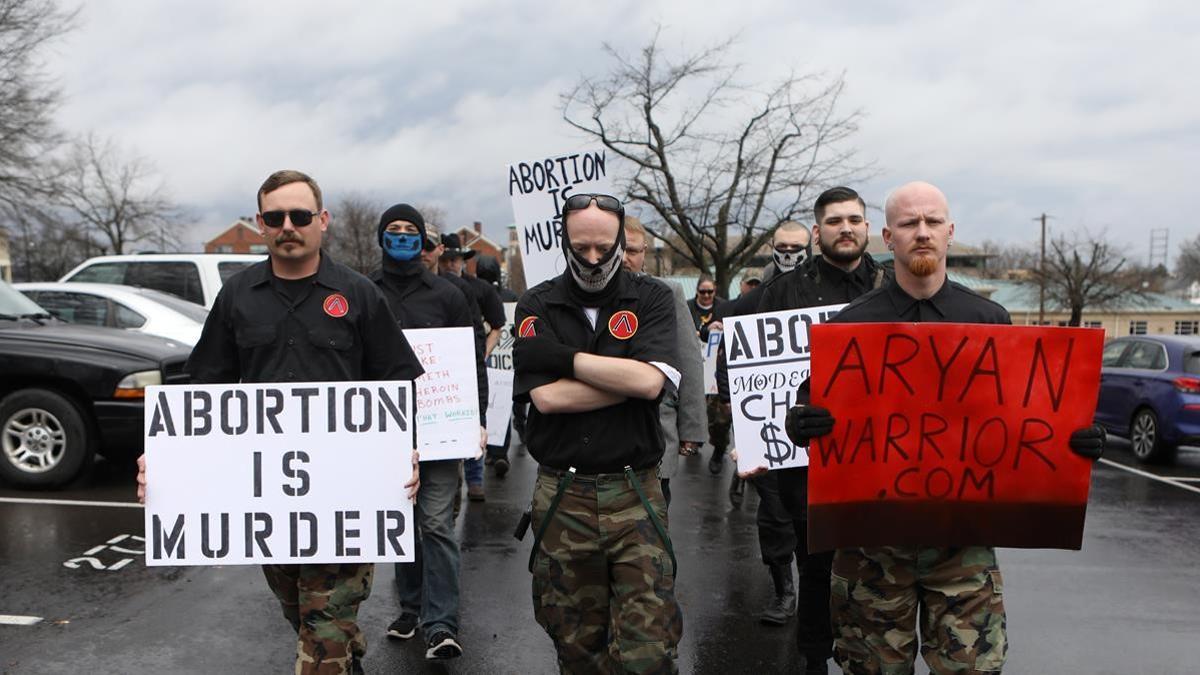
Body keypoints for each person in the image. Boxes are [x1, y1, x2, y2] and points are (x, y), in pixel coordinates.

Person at [784, 181, 1106, 675]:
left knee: (971, 669)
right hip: (874, 545)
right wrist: (801, 421)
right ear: (888, 237)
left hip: (963, 545)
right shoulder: (850, 328)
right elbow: (814, 414)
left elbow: (1025, 420)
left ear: (950, 232)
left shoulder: (989, 321)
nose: (922, 233)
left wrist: (1075, 441)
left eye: (932, 222)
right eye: (910, 224)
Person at [137, 170, 424, 675]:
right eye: (275, 217)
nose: (288, 226)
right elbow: (206, 390)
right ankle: (340, 647)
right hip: (270, 506)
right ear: (260, 224)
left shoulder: (359, 295)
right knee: (300, 610)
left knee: (322, 635)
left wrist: (409, 452)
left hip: (347, 501)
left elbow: (398, 384)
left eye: (300, 216)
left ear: (323, 220)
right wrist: (164, 461)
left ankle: (332, 650)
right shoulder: (237, 297)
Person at [514, 193, 683, 672]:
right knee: (575, 641)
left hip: (635, 492)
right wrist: (628, 377)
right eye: (581, 247)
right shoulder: (536, 302)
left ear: (621, 241)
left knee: (648, 647)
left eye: (603, 248)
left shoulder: (651, 297)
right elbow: (547, 399)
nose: (592, 259)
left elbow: (652, 384)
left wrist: (564, 359)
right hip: (563, 494)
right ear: (563, 240)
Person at [753, 186, 889, 673]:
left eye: (855, 219)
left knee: (879, 567)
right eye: (834, 221)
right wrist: (755, 439)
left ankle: (869, 657)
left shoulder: (892, 287)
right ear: (818, 231)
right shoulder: (782, 291)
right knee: (815, 567)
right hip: (808, 458)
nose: (846, 228)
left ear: (869, 228)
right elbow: (752, 367)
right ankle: (813, 660)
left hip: (881, 458)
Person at [372, 203, 487, 661]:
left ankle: (440, 623)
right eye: (393, 230)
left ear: (423, 240)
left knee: (436, 523)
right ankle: (411, 605)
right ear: (381, 238)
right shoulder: (364, 292)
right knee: (403, 522)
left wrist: (477, 418)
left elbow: (470, 358)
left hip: (440, 428)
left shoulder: (450, 295)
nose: (402, 237)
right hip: (385, 430)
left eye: (410, 231)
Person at [621, 216, 707, 507]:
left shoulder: (668, 293)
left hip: (658, 430)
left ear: (644, 251)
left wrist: (692, 428)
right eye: (617, 249)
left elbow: (689, 359)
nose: (623, 258)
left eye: (632, 250)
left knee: (651, 524)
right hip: (600, 439)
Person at [441, 232, 505, 502]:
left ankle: (475, 480)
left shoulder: (480, 289)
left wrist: (483, 353)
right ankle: (452, 483)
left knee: (474, 421)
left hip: (471, 363)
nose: (451, 264)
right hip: (441, 367)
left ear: (463, 260)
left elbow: (498, 325)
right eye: (447, 259)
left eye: (456, 259)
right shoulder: (431, 287)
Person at [475, 254, 519, 477]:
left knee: (490, 405)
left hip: (487, 359)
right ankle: (499, 452)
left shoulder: (475, 293)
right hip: (503, 362)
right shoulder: (509, 295)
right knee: (502, 406)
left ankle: (494, 452)